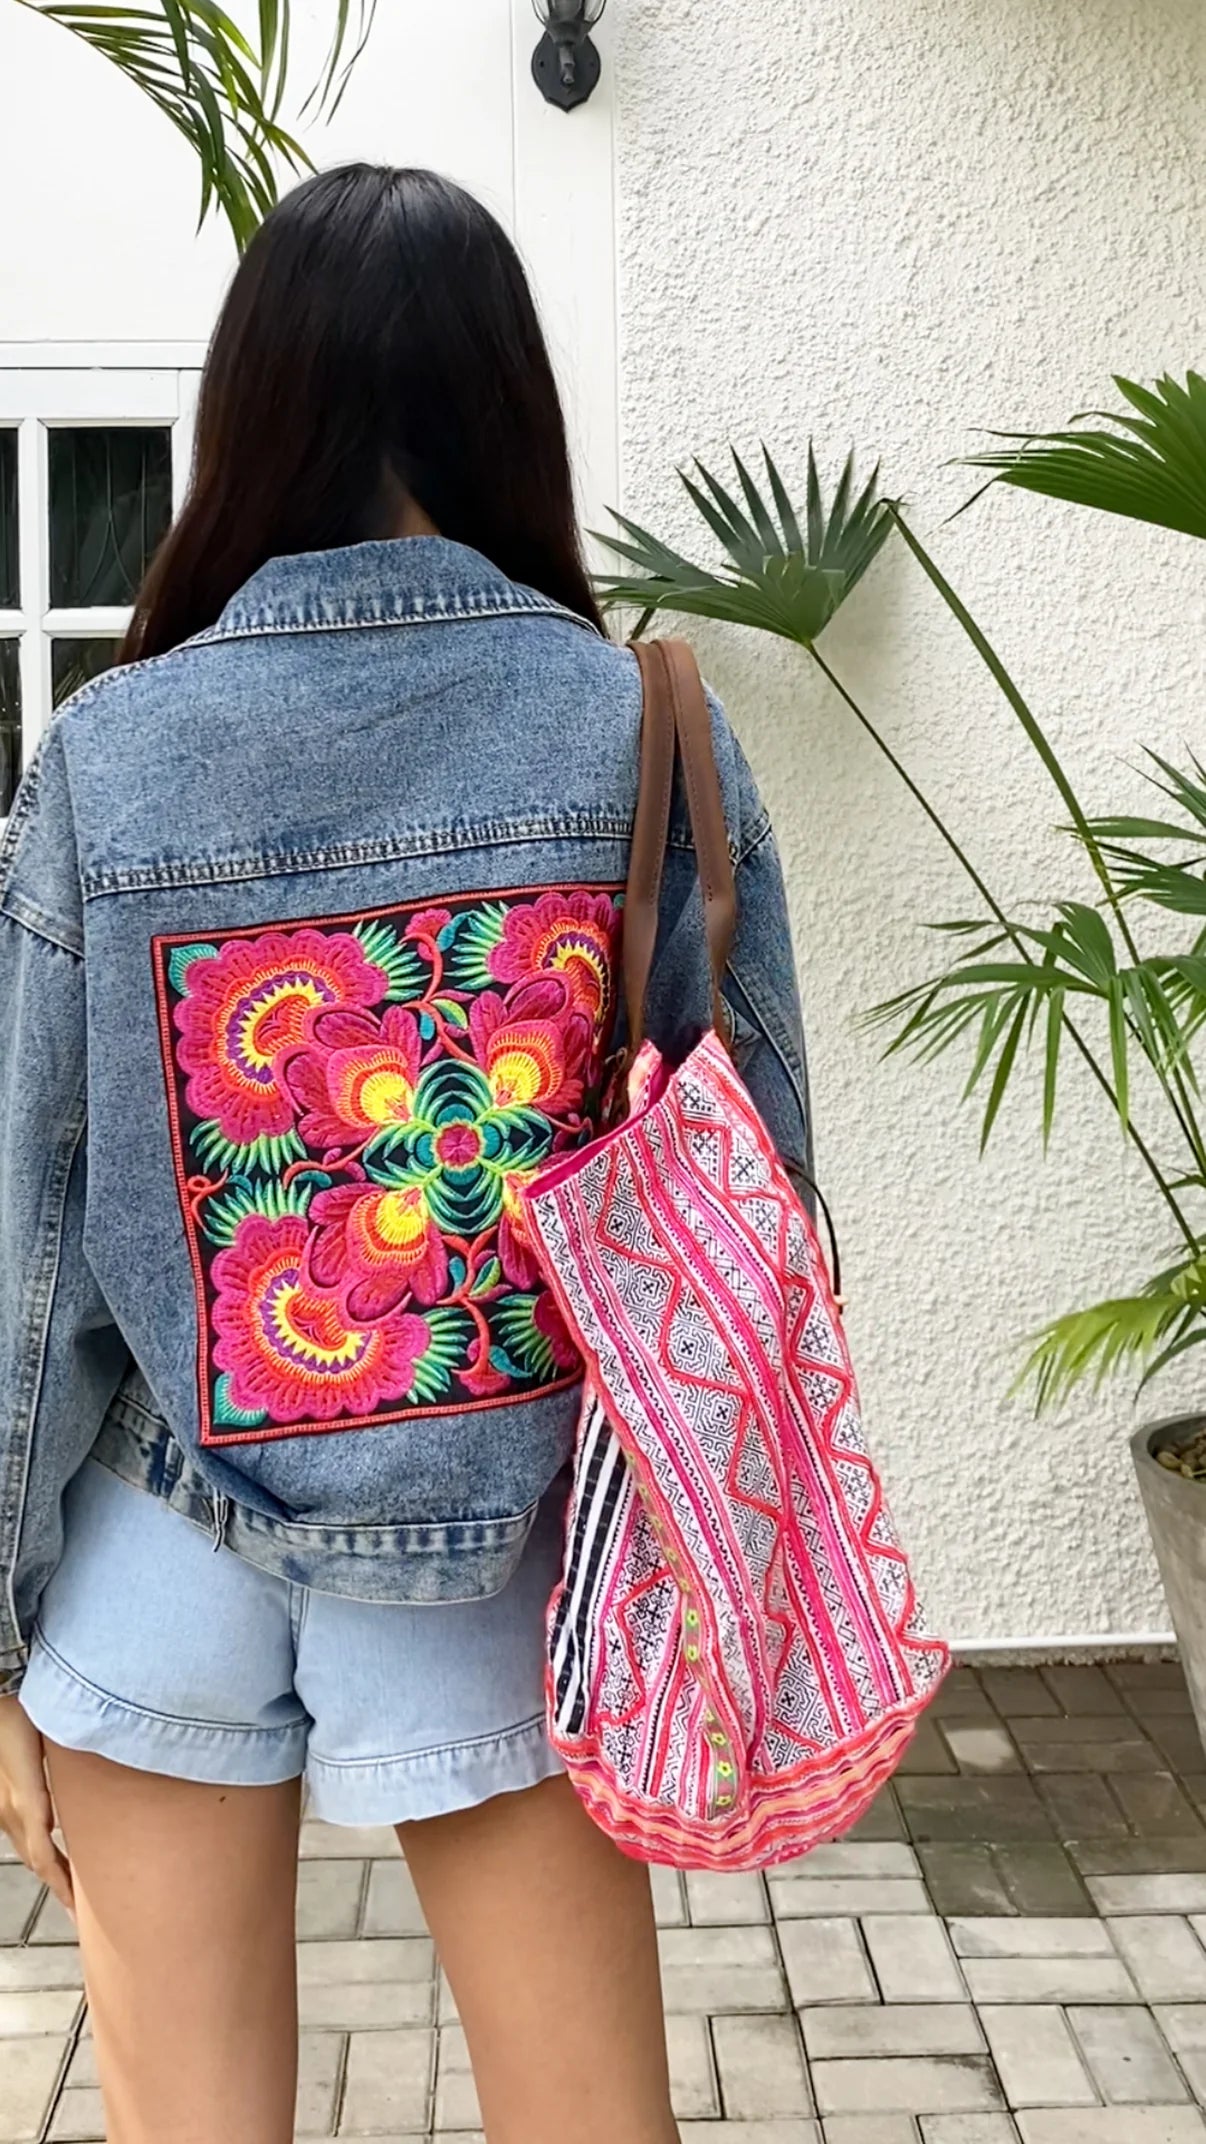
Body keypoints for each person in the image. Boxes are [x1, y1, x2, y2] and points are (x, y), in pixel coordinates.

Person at [0, 164, 809, 2144]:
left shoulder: (112, 750)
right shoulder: (640, 728)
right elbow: (758, 1196)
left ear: (250, 417)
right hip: (502, 1549)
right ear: (508, 414)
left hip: (156, 1523)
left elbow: (28, 1240)